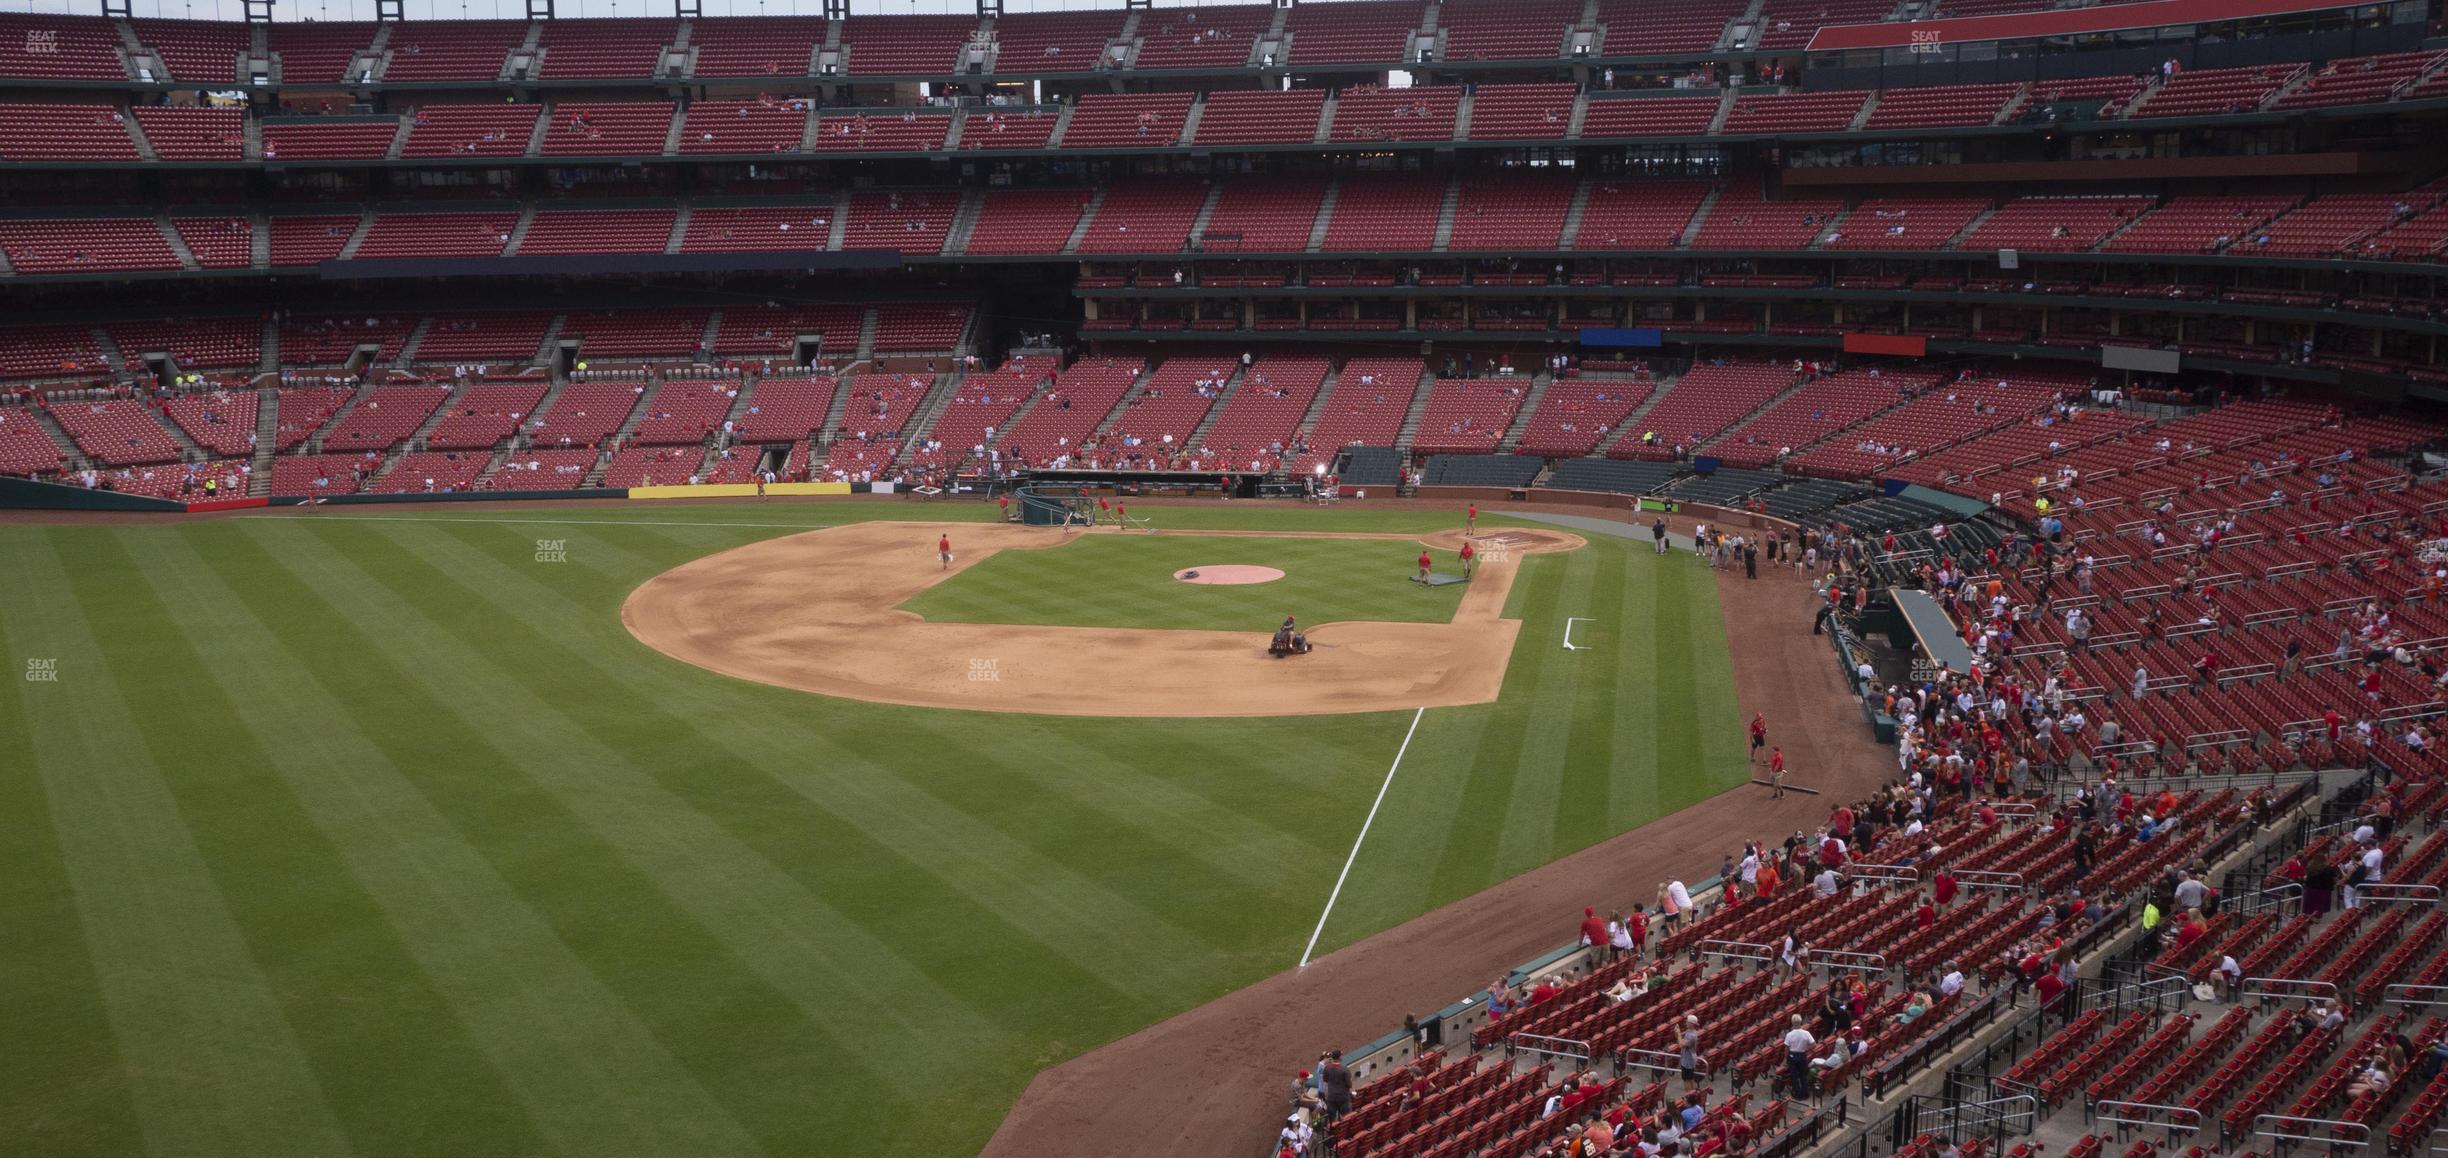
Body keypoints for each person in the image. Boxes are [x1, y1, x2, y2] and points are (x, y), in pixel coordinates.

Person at [1784, 1014, 1817, 1097]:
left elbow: (1787, 1048)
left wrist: (1785, 1059)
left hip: (1793, 1055)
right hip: (1802, 1054)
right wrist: (1806, 1048)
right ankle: (1805, 1093)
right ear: (1800, 1022)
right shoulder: (1806, 1033)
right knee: (1803, 1075)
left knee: (1794, 1075)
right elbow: (1814, 1044)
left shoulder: (1789, 1035)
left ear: (1792, 1022)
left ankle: (1797, 1093)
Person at [1318, 1049, 1353, 1121]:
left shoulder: (1327, 1068)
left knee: (1331, 1119)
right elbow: (1349, 1084)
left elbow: (1325, 1080)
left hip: (1331, 1097)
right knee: (1346, 1117)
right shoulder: (1345, 1069)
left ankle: (1332, 1131)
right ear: (1339, 1057)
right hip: (1343, 1097)